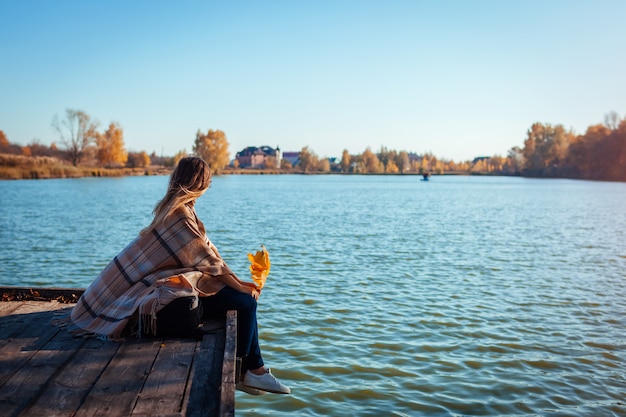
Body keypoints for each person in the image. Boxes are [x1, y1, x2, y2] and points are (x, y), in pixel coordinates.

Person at [69, 156, 290, 395]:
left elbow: (210, 257)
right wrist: (240, 288)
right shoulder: (180, 216)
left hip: (175, 282)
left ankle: (252, 371)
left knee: (243, 298)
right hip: (164, 289)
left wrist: (240, 283)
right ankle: (251, 372)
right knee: (246, 303)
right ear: (201, 184)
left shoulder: (179, 211)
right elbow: (207, 261)